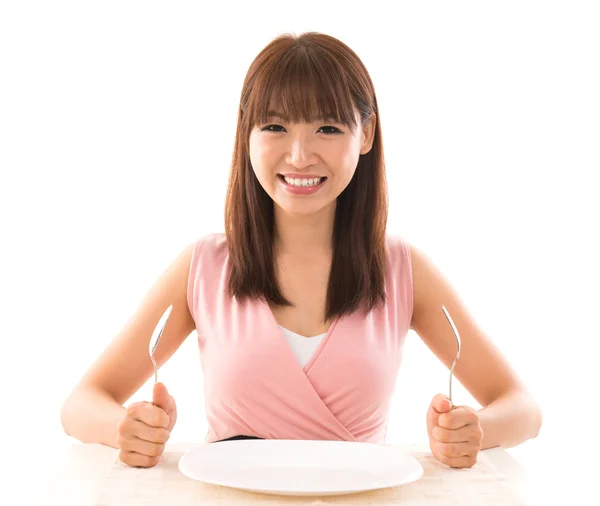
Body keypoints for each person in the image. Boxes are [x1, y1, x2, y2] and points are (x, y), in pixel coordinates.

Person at [60, 32, 542, 470]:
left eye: (328, 129)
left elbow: (522, 408)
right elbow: (81, 404)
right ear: (246, 135)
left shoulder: (401, 269)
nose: (299, 155)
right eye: (274, 127)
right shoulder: (204, 267)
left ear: (366, 135)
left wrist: (475, 432)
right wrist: (124, 428)